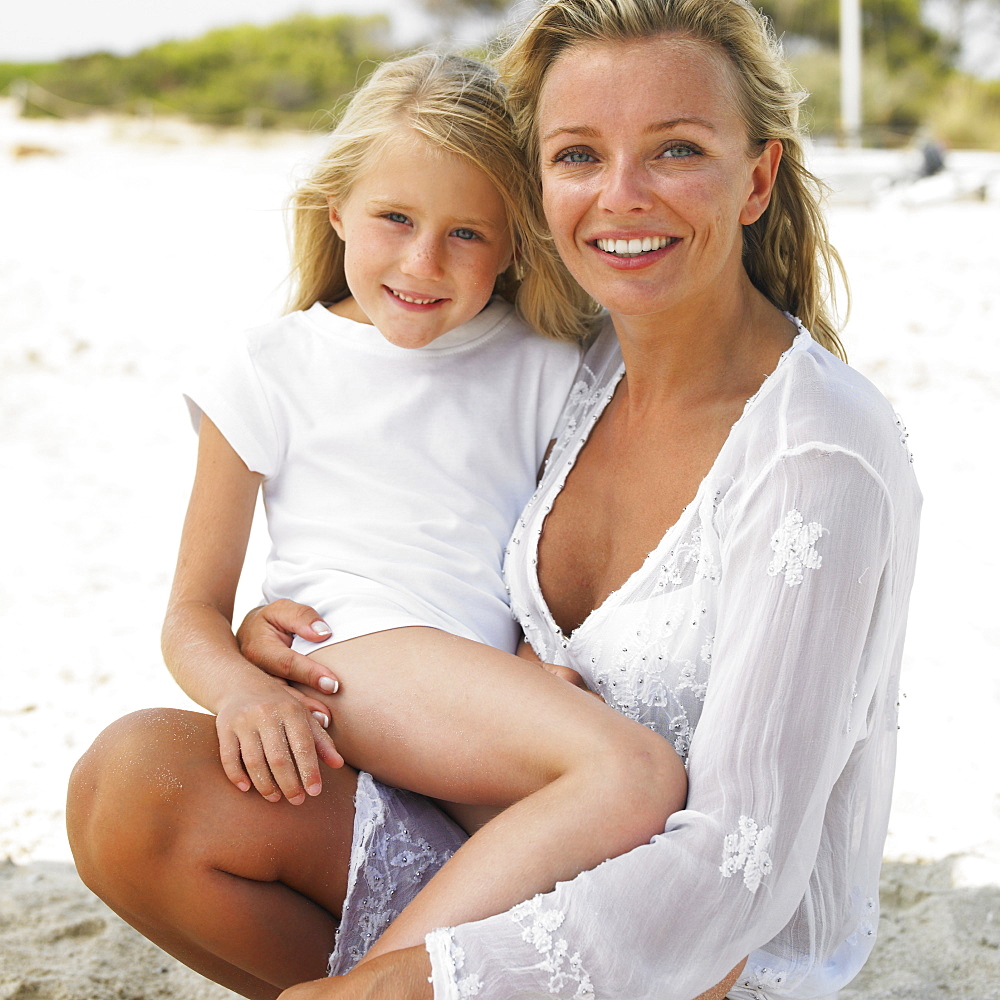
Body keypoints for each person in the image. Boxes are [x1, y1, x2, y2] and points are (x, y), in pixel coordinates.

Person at [69, 1, 921, 998]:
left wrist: (399, 983)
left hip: (696, 943)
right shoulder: (584, 369)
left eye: (676, 149)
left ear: (757, 176)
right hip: (491, 815)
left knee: (619, 803)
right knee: (132, 784)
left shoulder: (809, 450)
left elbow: (743, 863)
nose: (621, 196)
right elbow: (429, 517)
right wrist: (260, 643)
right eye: (576, 156)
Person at [68, 47, 688, 998]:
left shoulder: (546, 364)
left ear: (516, 242)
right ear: (337, 208)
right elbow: (191, 609)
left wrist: (528, 649)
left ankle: (385, 978)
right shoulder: (271, 366)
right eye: (395, 218)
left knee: (646, 919)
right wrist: (240, 688)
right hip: (351, 662)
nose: (422, 262)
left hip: (473, 715)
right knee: (631, 778)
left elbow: (560, 553)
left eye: (468, 234)